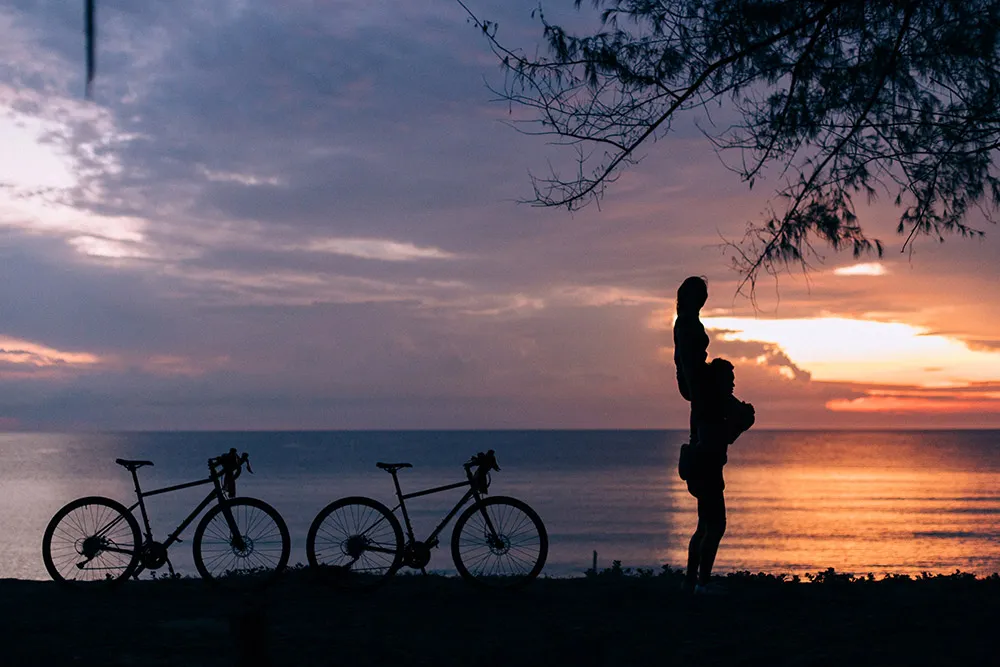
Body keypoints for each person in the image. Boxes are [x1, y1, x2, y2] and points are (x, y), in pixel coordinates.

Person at [683, 357, 755, 594]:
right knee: (715, 526)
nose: (733, 385)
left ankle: (691, 581)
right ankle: (702, 583)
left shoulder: (708, 401)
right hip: (707, 471)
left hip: (703, 469)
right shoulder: (713, 404)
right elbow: (720, 438)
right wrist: (742, 422)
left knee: (704, 527)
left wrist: (741, 419)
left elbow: (726, 435)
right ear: (720, 381)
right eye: (730, 380)